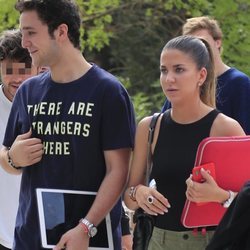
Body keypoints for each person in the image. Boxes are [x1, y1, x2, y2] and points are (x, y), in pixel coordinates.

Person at [0, 1, 135, 250]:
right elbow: (7, 156)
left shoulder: (108, 91)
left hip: (91, 240)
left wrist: (86, 227)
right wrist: (13, 159)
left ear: (61, 32)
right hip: (31, 239)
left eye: (31, 32)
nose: (24, 42)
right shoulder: (28, 92)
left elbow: (118, 171)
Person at [124, 35, 245, 250]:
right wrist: (139, 193)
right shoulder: (149, 127)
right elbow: (129, 195)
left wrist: (219, 196)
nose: (169, 78)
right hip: (156, 240)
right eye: (164, 70)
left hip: (210, 242)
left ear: (201, 75)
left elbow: (246, 203)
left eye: (179, 70)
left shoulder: (226, 128)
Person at [161, 16, 250, 134]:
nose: (196, 50)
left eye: (202, 42)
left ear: (217, 42)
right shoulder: (178, 87)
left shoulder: (239, 83)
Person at [0, 29, 39, 250]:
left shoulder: (49, 104)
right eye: (9, 70)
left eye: (23, 70)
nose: (16, 79)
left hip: (40, 230)